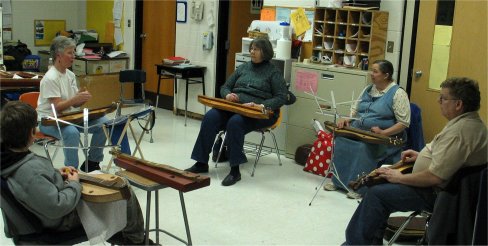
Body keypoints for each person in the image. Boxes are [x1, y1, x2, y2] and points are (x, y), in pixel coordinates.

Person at [343, 77, 487, 245]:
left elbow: (435, 177)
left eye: (443, 98)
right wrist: (422, 156)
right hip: (445, 188)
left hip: (437, 193)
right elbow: (453, 159)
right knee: (379, 183)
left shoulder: (460, 132)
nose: (438, 101)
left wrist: (398, 177)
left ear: (458, 104)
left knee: (376, 194)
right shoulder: (473, 124)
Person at [0, 101, 153, 245]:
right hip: (62, 219)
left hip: (45, 212)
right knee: (123, 189)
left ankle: (121, 232)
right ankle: (137, 241)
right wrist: (74, 184)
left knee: (105, 181)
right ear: (32, 132)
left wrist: (55, 173)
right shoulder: (28, 172)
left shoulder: (9, 159)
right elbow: (57, 207)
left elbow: (36, 185)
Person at [185, 37, 288, 186]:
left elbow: (282, 97)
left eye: (256, 49)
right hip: (236, 107)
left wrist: (261, 105)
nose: (252, 51)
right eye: (251, 48)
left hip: (261, 112)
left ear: (265, 52)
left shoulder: (273, 72)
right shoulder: (243, 68)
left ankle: (235, 171)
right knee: (210, 117)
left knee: (235, 123)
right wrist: (227, 95)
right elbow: (225, 87)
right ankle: (201, 162)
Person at [324, 59, 411, 199]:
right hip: (359, 130)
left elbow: (404, 123)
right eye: (372, 70)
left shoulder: (398, 93)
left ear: (386, 75)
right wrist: (347, 119)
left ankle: (358, 187)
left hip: (383, 138)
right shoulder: (368, 89)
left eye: (375, 71)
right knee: (341, 139)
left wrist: (383, 132)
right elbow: (355, 108)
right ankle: (338, 181)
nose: (372, 74)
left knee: (363, 147)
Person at [37, 36, 107, 172]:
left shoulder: (70, 75)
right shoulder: (50, 78)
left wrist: (80, 98)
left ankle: (92, 162)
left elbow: (73, 106)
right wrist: (75, 99)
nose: (73, 56)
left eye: (74, 52)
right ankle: (71, 170)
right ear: (58, 55)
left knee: (104, 124)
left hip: (69, 118)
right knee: (72, 133)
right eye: (70, 53)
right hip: (48, 121)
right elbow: (56, 107)